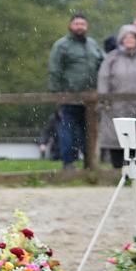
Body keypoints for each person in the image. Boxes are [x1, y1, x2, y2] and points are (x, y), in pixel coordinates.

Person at [48, 12, 104, 170]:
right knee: (68, 130)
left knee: (87, 132)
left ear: (87, 26)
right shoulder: (61, 45)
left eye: (83, 24)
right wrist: (57, 93)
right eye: (77, 23)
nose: (80, 27)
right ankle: (68, 163)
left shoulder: (92, 44)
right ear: (70, 25)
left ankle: (90, 164)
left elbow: (102, 62)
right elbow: (54, 70)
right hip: (69, 96)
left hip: (90, 98)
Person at [97, 24, 136, 169]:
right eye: (126, 37)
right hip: (116, 107)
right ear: (121, 40)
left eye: (132, 37)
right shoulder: (111, 58)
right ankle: (117, 170)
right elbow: (103, 79)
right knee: (116, 139)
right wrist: (104, 100)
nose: (129, 40)